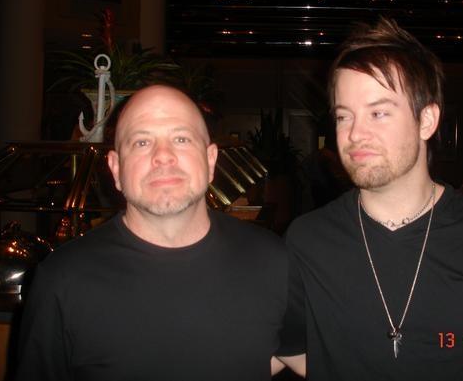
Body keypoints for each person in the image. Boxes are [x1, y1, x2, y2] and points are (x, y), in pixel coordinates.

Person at [278, 18, 463, 380]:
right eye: (344, 116)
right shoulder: (307, 240)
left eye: (378, 113)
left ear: (427, 120)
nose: (355, 133)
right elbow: (285, 348)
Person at [16, 85, 294, 381]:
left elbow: (310, 355)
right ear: (116, 169)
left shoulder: (272, 260)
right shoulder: (61, 280)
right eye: (142, 142)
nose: (163, 156)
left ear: (211, 160)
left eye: (181, 138)